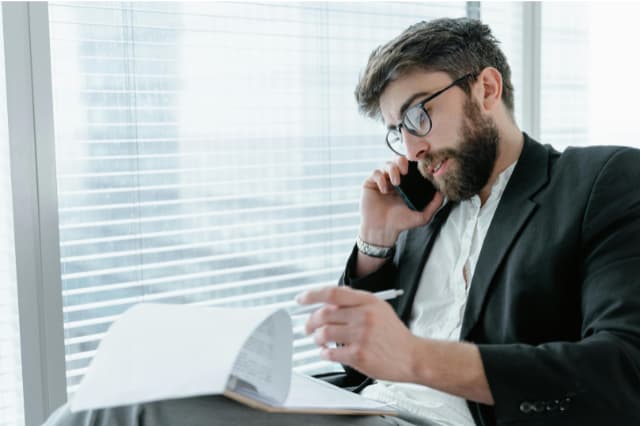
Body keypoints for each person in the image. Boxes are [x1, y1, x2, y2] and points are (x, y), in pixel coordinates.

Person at [44, 17, 640, 426]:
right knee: (108, 401)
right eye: (396, 128)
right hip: (362, 407)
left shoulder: (597, 181)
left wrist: (414, 358)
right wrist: (375, 241)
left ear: (486, 87)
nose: (410, 147)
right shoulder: (428, 206)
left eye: (417, 114)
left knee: (116, 415)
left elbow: (623, 372)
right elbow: (359, 364)